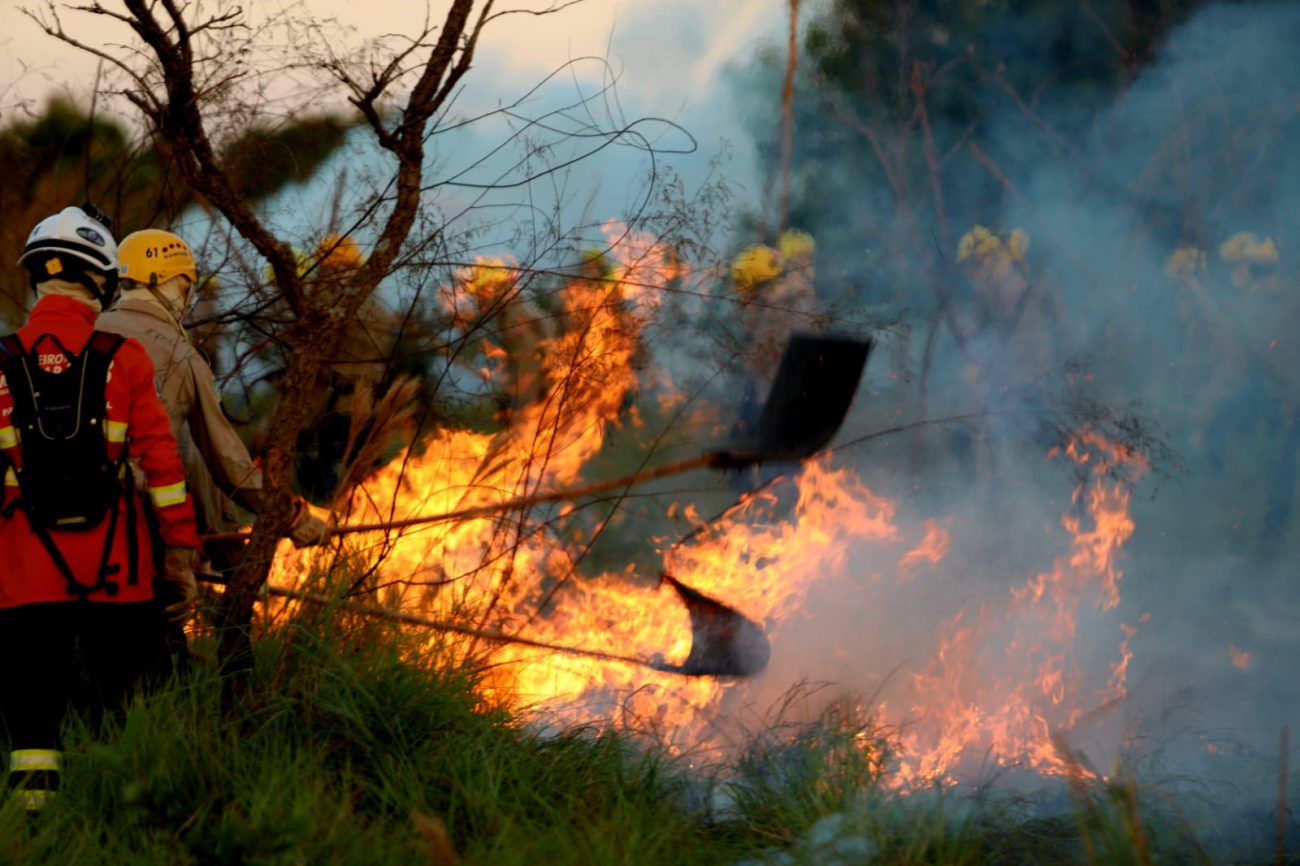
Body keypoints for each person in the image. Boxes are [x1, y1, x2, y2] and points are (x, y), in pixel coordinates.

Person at [0, 206, 198, 811]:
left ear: (37, 278)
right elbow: (163, 468)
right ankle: (128, 812)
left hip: (24, 573)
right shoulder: (126, 356)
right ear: (103, 282)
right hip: (120, 574)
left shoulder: (1, 362)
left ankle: (33, 820)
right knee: (125, 702)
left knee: (32, 721)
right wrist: (181, 552)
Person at [97, 228, 331, 589]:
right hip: (137, 526)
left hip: (47, 519)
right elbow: (224, 463)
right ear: (171, 283)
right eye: (186, 286)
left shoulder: (86, 328)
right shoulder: (182, 356)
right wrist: (291, 517)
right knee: (157, 636)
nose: (187, 298)